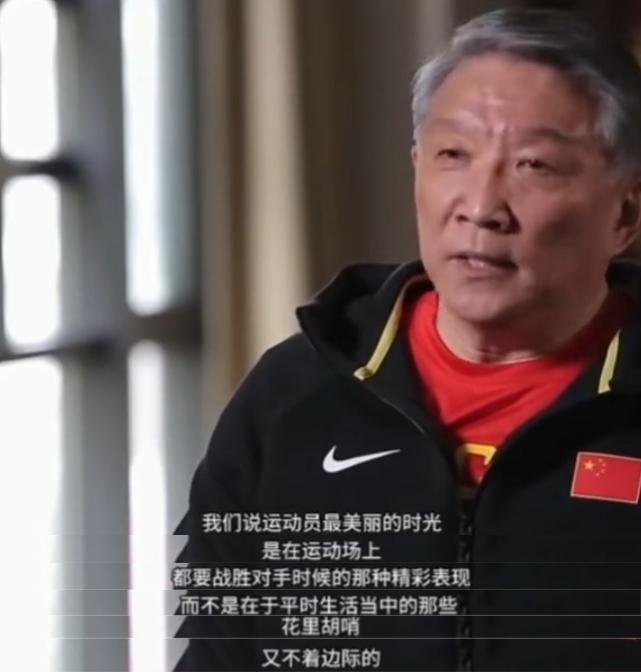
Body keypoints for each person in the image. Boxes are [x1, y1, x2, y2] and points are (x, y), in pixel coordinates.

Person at [175, 8, 641, 671]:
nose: (481, 207)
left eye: (534, 165)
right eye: (453, 156)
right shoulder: (292, 398)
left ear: (625, 210)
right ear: (417, 169)